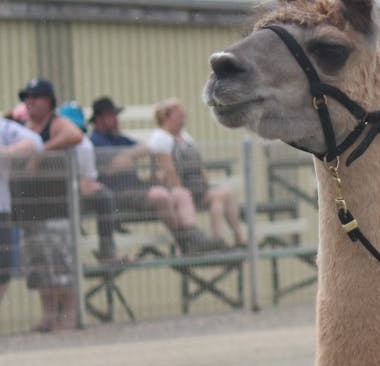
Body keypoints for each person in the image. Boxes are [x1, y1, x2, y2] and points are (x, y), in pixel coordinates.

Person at [86, 97, 221, 255]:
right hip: (117, 192)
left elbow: (145, 150)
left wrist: (133, 159)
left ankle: (192, 240)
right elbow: (113, 167)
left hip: (136, 188)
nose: (116, 120)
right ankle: (188, 242)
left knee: (180, 193)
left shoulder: (119, 138)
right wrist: (129, 157)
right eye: (111, 116)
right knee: (160, 195)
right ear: (99, 119)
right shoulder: (94, 141)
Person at [13, 77, 86, 330]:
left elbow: (74, 135)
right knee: (39, 266)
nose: (29, 102)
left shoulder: (56, 123)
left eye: (36, 97)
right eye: (27, 97)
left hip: (56, 208)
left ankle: (67, 316)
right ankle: (48, 316)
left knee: (60, 264)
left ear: (49, 101)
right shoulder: (22, 126)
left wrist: (40, 150)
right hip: (29, 209)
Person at [148, 98, 245, 246]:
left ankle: (232, 238)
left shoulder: (186, 137)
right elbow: (169, 172)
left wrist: (206, 184)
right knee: (219, 196)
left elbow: (199, 165)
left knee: (223, 194)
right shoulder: (160, 139)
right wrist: (185, 194)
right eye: (179, 117)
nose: (183, 121)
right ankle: (218, 240)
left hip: (197, 187)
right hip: (182, 190)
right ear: (165, 118)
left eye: (184, 117)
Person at [0, 113, 43, 309]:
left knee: (4, 269)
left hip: (2, 209)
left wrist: (8, 151)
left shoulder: (3, 127)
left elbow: (35, 142)